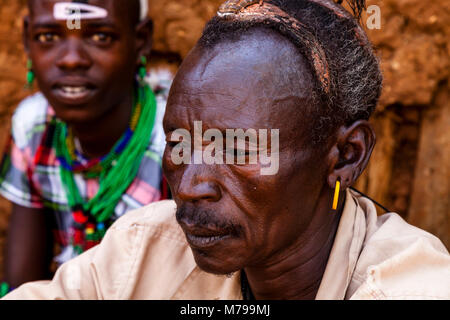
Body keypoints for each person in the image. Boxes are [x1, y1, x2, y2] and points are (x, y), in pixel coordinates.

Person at [3, 0, 450, 300]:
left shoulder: (410, 287)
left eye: (238, 148)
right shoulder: (146, 249)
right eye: (179, 142)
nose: (191, 186)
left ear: (346, 156)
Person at [0, 0, 171, 296]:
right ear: (28, 39)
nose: (71, 60)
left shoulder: (172, 142)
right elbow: (22, 285)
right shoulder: (36, 128)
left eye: (100, 36)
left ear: (140, 41)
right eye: (49, 36)